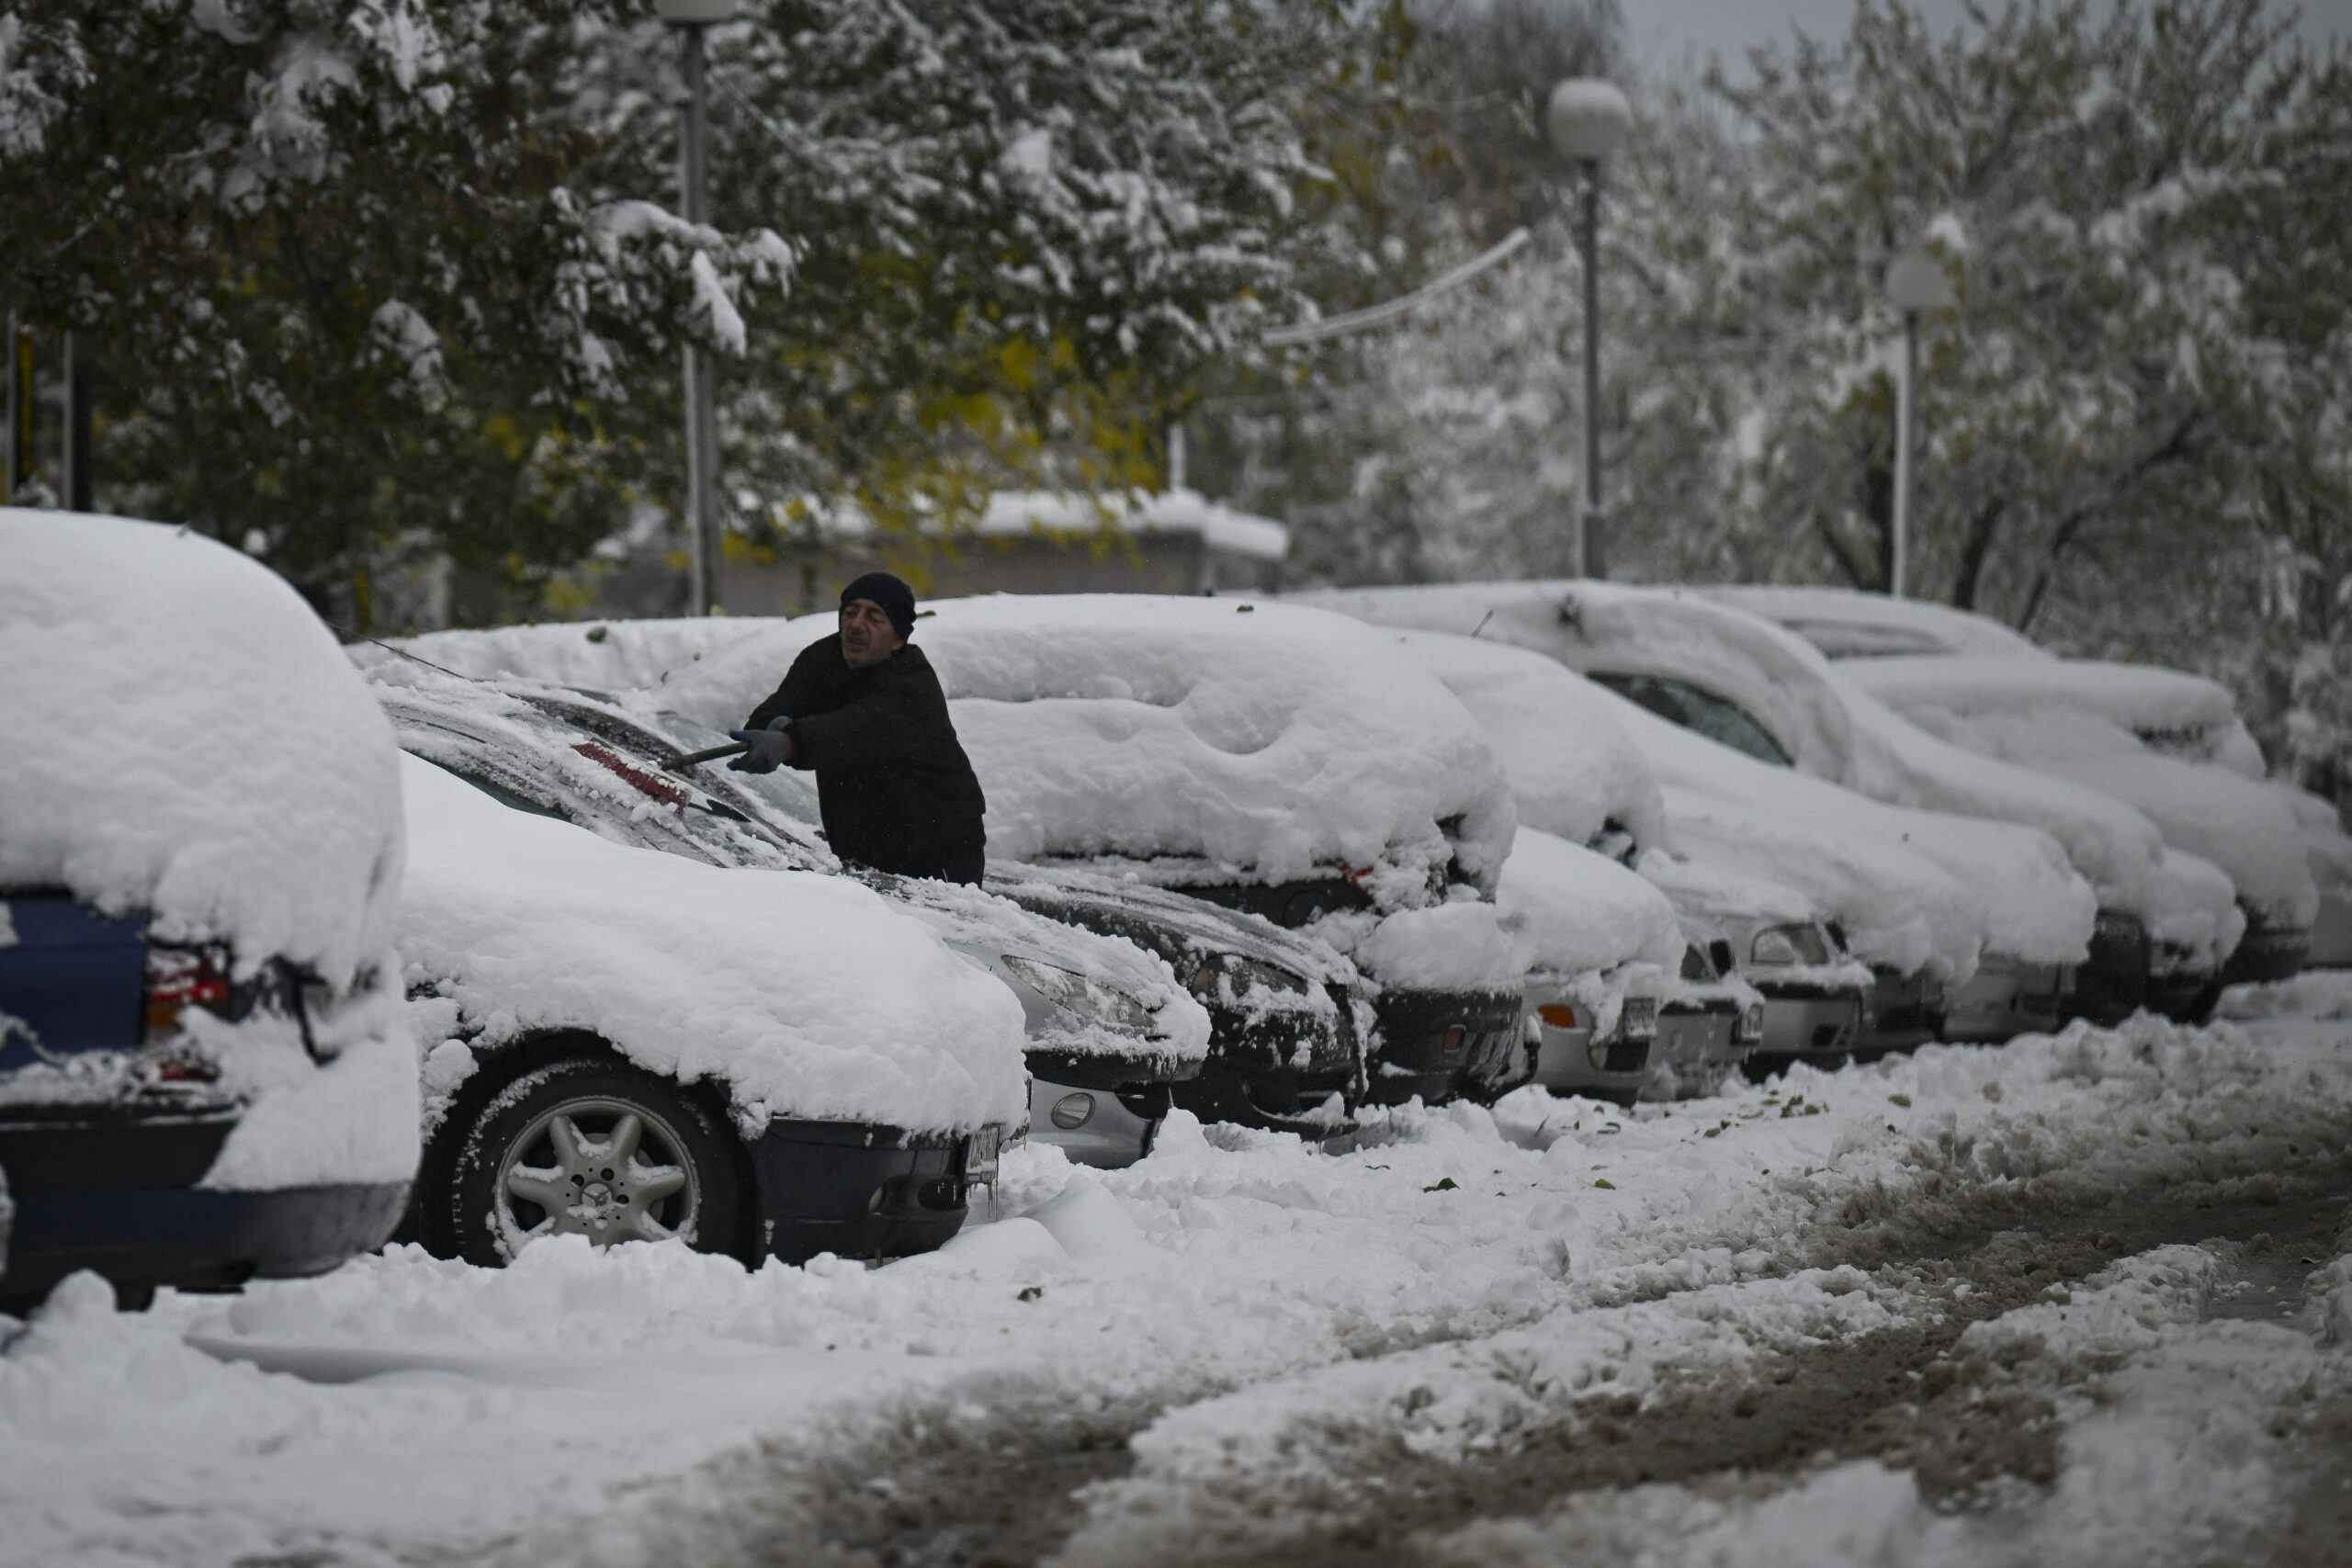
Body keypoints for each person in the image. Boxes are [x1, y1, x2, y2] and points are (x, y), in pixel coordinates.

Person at [728, 572, 989, 885]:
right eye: (850, 612)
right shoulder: (822, 660)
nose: (856, 624)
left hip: (937, 852)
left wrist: (790, 741)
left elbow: (854, 731)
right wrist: (775, 726)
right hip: (861, 848)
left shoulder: (912, 684)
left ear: (897, 639)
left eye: (874, 617)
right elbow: (780, 706)